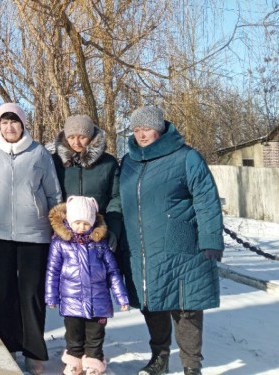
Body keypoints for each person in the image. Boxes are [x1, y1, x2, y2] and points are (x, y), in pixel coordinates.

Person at [119, 106, 223, 375]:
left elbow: (206, 200)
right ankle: (159, 358)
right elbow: (119, 202)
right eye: (137, 129)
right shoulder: (128, 162)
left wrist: (211, 239)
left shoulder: (186, 157)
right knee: (152, 304)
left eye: (147, 129)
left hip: (182, 243)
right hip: (141, 248)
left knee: (186, 306)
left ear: (161, 128)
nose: (141, 134)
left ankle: (191, 366)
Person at [0, 102, 62, 375]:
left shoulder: (39, 153)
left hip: (35, 234)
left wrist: (58, 227)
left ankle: (33, 352)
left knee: (31, 294)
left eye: (14, 121)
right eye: (4, 123)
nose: (9, 127)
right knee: (1, 291)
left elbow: (54, 194)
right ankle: (7, 346)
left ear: (23, 124)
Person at [45, 196, 129, 375]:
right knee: (73, 335)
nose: (81, 227)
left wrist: (121, 297)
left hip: (99, 301)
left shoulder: (100, 244)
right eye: (77, 222)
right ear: (68, 220)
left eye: (86, 223)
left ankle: (93, 362)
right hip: (71, 301)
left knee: (95, 336)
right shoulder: (60, 243)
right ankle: (74, 361)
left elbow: (112, 272)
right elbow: (52, 271)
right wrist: (51, 296)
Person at [50, 115, 122, 251]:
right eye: (71, 137)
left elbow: (116, 198)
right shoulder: (54, 162)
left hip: (98, 233)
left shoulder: (108, 163)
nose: (76, 142)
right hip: (65, 235)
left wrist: (112, 229)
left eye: (82, 137)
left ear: (91, 136)